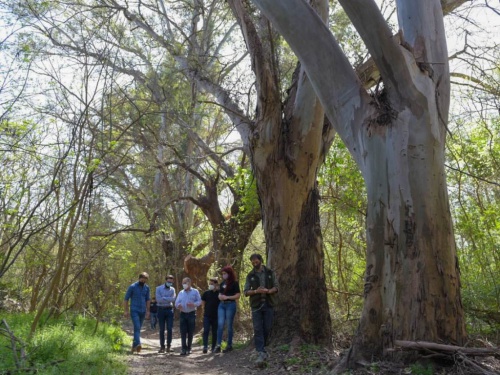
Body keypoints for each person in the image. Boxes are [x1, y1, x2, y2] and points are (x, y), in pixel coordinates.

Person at [244, 254, 278, 364]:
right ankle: (260, 350)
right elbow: (245, 291)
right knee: (257, 328)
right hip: (256, 305)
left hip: (269, 304)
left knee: (267, 327)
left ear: (260, 260)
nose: (254, 263)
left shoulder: (270, 272)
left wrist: (268, 291)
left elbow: (276, 287)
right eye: (252, 262)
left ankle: (264, 345)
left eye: (256, 261)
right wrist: (255, 291)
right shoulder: (250, 276)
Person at [213, 266, 240, 353]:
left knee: (229, 325)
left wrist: (227, 297)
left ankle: (229, 345)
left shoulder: (235, 283)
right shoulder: (222, 283)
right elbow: (219, 294)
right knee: (220, 324)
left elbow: (238, 295)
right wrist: (220, 297)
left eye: (225, 273)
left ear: (229, 273)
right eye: (222, 274)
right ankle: (218, 345)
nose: (223, 275)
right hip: (221, 305)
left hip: (230, 305)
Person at [124, 272, 151, 354]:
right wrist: (126, 311)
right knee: (137, 326)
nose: (143, 282)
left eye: (145, 280)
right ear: (139, 278)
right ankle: (138, 344)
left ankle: (133, 347)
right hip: (134, 310)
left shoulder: (147, 288)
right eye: (142, 280)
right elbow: (126, 299)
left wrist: (148, 311)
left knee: (138, 329)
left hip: (143, 311)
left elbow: (148, 300)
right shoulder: (132, 287)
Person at [175, 277, 202, 355]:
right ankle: (183, 348)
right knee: (183, 332)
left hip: (191, 314)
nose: (184, 284)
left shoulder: (195, 291)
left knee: (190, 332)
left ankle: (189, 348)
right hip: (183, 314)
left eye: (185, 283)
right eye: (183, 283)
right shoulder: (181, 292)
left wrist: (193, 304)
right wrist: (178, 305)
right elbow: (176, 302)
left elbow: (199, 301)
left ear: (189, 283)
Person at [156, 274, 176, 353]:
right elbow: (158, 300)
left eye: (171, 282)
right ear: (166, 280)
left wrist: (164, 298)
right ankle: (162, 347)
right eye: (168, 281)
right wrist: (168, 299)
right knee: (161, 329)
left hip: (169, 310)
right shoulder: (158, 288)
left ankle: (169, 346)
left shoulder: (173, 289)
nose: (169, 283)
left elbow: (173, 299)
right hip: (161, 310)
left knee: (170, 328)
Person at [201, 277, 220, 354]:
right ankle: (205, 346)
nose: (210, 285)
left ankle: (213, 347)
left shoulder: (219, 293)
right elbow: (203, 303)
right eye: (210, 284)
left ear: (216, 284)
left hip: (216, 316)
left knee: (215, 332)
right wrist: (203, 312)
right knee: (206, 331)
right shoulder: (206, 293)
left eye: (212, 284)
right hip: (207, 316)